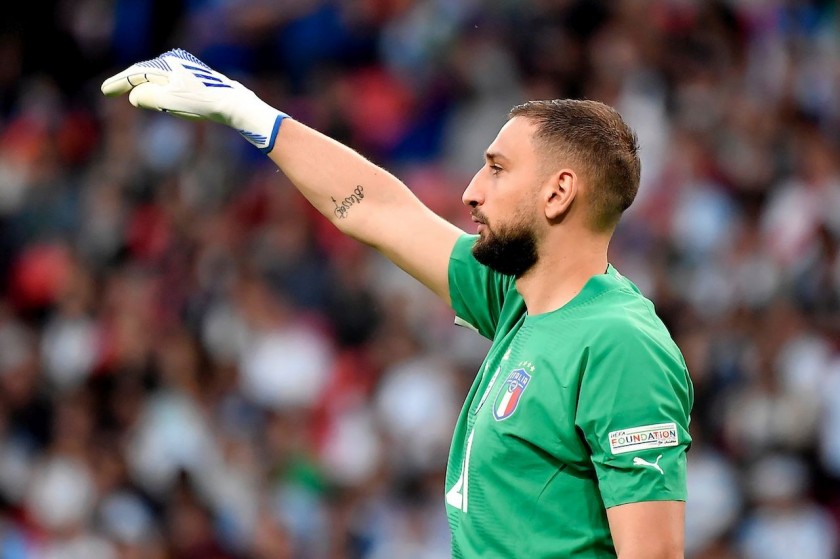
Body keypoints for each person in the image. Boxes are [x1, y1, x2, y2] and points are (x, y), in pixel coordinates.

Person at [102, 49, 692, 558]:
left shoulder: (619, 343)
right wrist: (245, 110)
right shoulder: (518, 299)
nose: (471, 192)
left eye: (496, 168)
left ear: (558, 192)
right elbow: (374, 209)